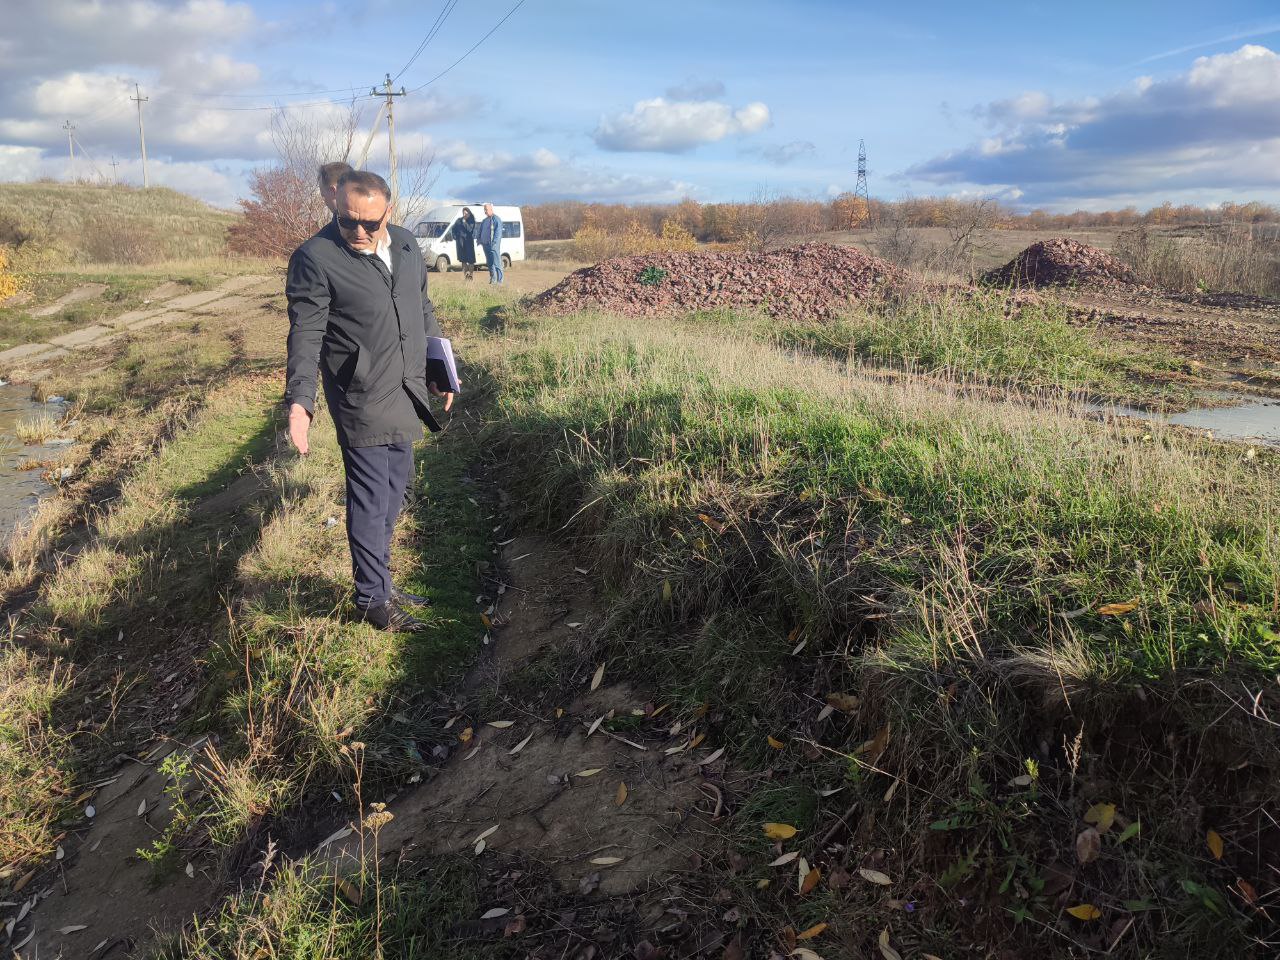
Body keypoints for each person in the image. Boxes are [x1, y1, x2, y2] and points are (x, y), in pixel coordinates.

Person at [285, 170, 455, 632]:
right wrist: (300, 401)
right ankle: (371, 600)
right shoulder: (315, 258)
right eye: (347, 222)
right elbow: (306, 333)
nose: (357, 232)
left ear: (388, 213)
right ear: (336, 206)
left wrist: (437, 370)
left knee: (396, 488)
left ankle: (381, 580)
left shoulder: (403, 244)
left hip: (405, 387)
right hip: (360, 392)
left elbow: (422, 309)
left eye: (368, 223)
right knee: (369, 495)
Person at [476, 202, 504, 284]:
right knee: (490, 263)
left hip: (493, 246)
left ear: (491, 209)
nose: (485, 211)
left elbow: (498, 233)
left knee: (497, 263)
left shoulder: (496, 219)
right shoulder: (484, 220)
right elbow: (480, 231)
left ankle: (500, 281)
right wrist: (479, 240)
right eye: (484, 209)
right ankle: (493, 280)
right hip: (485, 245)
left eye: (486, 209)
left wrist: (494, 243)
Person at [454, 207, 478, 280]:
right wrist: (455, 237)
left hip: (469, 243)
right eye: (463, 213)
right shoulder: (459, 220)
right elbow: (453, 228)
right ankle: (466, 276)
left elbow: (470, 230)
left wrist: (464, 222)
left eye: (466, 213)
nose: (464, 214)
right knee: (463, 260)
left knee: (470, 260)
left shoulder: (472, 221)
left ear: (469, 213)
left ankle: (471, 275)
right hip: (460, 243)